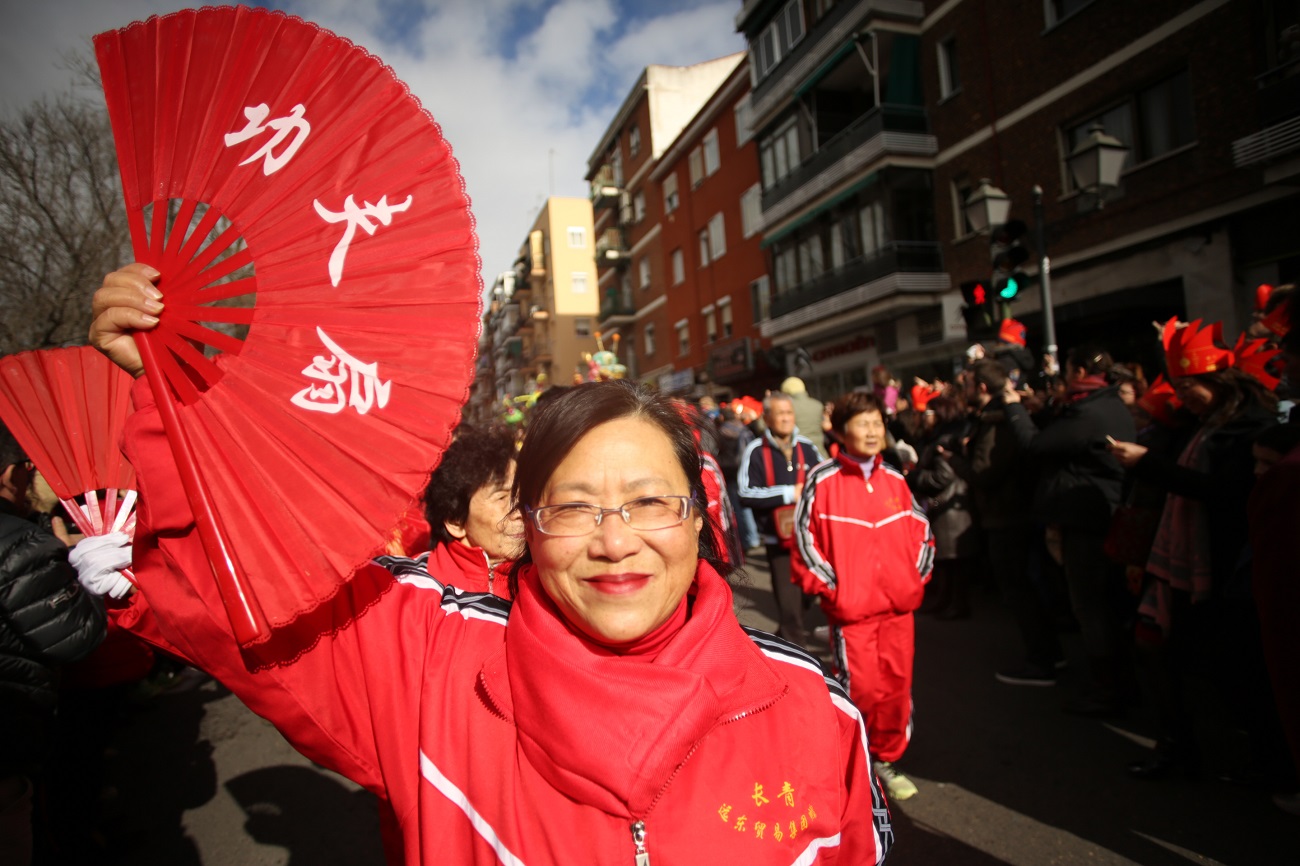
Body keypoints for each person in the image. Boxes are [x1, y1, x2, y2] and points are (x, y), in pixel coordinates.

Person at [90, 264, 894, 864]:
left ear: (697, 513)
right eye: (573, 506)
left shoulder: (816, 711)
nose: (615, 542)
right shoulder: (425, 665)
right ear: (529, 524)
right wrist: (181, 392)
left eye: (650, 503)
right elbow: (241, 588)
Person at [791, 390, 934, 802]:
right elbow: (805, 541)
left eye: (877, 423)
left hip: (898, 609)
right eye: (862, 423)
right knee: (862, 689)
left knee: (896, 687)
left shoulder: (895, 479)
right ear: (842, 430)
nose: (872, 432)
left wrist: (913, 579)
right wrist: (834, 589)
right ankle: (857, 759)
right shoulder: (823, 479)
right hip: (852, 613)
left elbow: (922, 533)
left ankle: (885, 758)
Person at [1004, 346, 1137, 716]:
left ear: (1078, 371)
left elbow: (1035, 445)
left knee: (1091, 607)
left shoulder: (1091, 411)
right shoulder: (1098, 404)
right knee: (1099, 606)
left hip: (1088, 522)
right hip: (1094, 517)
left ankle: (1107, 691)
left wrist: (1014, 407)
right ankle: (1113, 683)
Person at [0, 425, 108, 866]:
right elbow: (77, 637)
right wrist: (85, 575)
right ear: (10, 474)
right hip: (12, 737)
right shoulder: (18, 540)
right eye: (28, 469)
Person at [953, 360, 1061, 685]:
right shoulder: (992, 418)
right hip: (1010, 514)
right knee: (1025, 586)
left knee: (1019, 589)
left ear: (982, 388)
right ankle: (1050, 652)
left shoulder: (999, 421)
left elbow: (984, 474)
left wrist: (955, 461)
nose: (965, 390)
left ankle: (1041, 661)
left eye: (968, 384)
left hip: (1007, 516)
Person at [738, 392, 822, 647]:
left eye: (789, 412)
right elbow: (745, 493)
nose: (786, 418)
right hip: (779, 540)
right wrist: (787, 494)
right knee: (790, 608)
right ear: (767, 418)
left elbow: (823, 484)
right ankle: (802, 668)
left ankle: (782, 639)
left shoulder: (807, 447)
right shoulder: (755, 451)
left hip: (809, 538)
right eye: (780, 413)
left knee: (813, 592)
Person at [421, 423, 522, 598]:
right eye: (501, 497)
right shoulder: (411, 588)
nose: (520, 512)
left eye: (522, 495)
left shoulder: (548, 582)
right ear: (455, 521)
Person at [908, 396, 977, 620]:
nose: (924, 418)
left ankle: (957, 604)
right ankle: (947, 601)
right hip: (950, 505)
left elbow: (942, 476)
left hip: (951, 506)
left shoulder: (943, 440)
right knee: (948, 562)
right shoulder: (941, 436)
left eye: (928, 413)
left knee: (953, 561)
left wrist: (916, 476)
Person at [780, 377, 826, 460]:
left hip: (800, 454)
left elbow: (762, 426)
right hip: (821, 453)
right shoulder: (817, 405)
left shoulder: (788, 407)